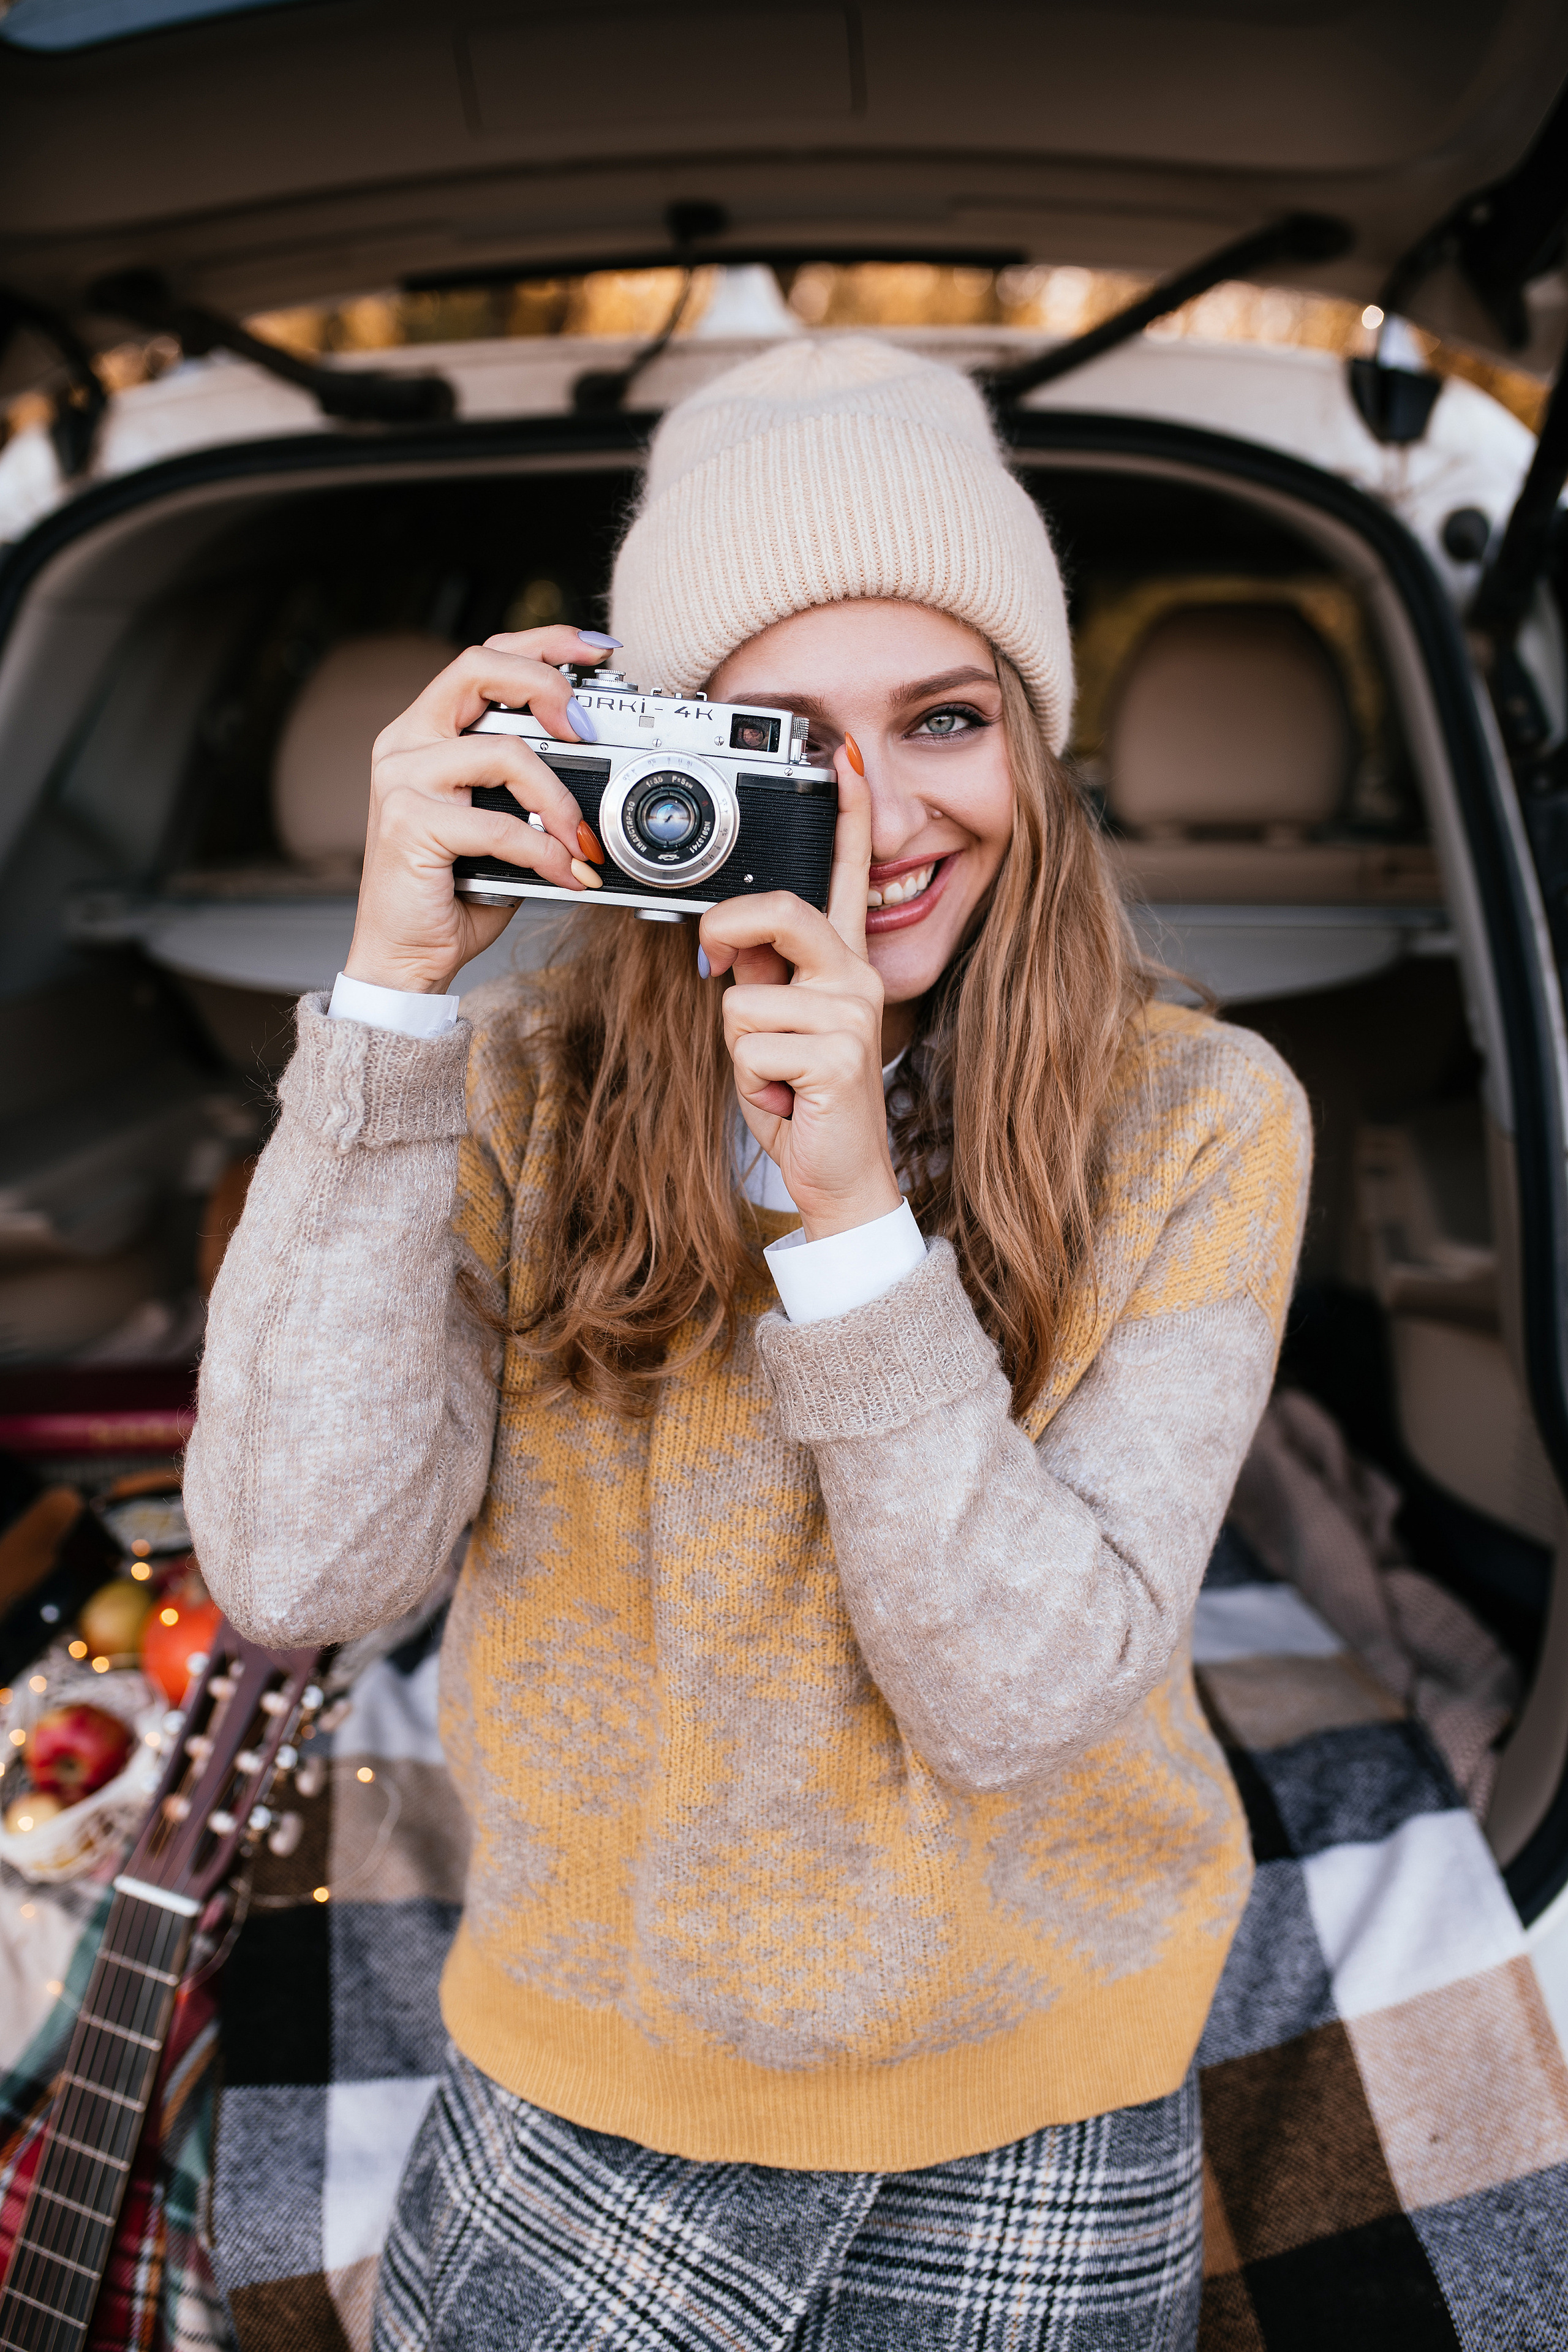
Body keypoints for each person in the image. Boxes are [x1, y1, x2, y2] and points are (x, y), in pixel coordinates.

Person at [186, 337, 1310, 2351]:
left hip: (1039, 2084)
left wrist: (856, 1214)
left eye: (947, 717)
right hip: (590, 2076)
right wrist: (387, 1000)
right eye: (777, 742)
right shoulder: (506, 1086)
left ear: (1039, 748)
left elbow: (1022, 1698)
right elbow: (296, 1573)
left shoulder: (1204, 1115)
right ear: (646, 776)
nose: (873, 815)